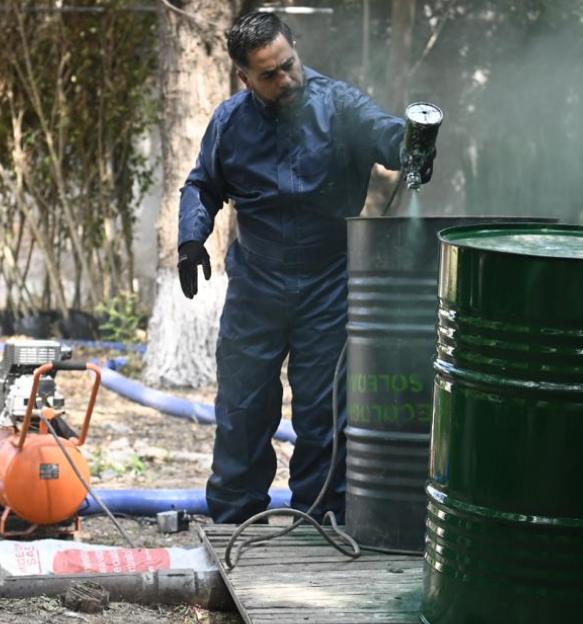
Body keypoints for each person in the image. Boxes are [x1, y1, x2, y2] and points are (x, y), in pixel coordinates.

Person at [177, 11, 431, 523]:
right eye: (268, 75)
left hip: (329, 281)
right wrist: (190, 239)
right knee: (243, 409)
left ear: (294, 47)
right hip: (257, 281)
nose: (285, 79)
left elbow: (386, 137)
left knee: (324, 414)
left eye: (288, 65)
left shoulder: (340, 105)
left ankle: (323, 520)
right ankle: (234, 523)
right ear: (244, 78)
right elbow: (202, 184)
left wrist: (415, 142)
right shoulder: (230, 122)